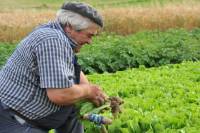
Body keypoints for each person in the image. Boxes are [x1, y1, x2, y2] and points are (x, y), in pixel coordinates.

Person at [0, 2, 107, 133]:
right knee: (72, 96)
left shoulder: (57, 33)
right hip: (13, 119)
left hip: (24, 116)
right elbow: (60, 95)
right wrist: (88, 91)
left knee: (74, 102)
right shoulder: (52, 40)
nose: (90, 41)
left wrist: (92, 93)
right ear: (70, 27)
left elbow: (69, 68)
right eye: (89, 35)